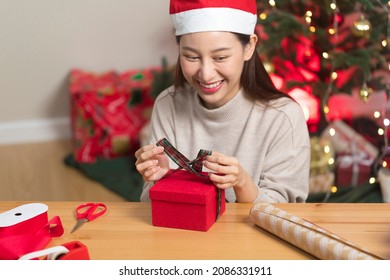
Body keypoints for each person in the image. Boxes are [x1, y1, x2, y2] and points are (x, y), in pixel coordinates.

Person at [135, 0, 310, 203]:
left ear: (249, 47)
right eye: (191, 57)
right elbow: (151, 206)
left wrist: (243, 184)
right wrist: (160, 181)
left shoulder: (283, 117)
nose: (206, 74)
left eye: (220, 58)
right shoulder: (168, 104)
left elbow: (285, 211)